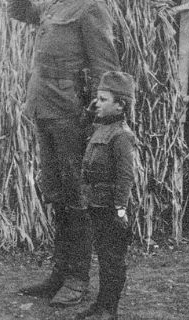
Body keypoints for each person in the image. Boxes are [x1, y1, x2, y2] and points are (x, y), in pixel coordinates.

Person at [8, 0, 121, 307]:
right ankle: (59, 273)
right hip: (44, 110)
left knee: (77, 197)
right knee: (56, 196)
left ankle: (77, 278)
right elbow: (18, 11)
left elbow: (107, 69)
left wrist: (101, 119)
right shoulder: (56, 4)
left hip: (72, 115)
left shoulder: (89, 7)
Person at [76, 71, 137, 320]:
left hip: (110, 208)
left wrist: (120, 209)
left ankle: (109, 310)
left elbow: (125, 176)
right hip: (96, 204)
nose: (97, 103)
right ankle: (101, 304)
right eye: (96, 99)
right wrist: (93, 111)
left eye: (103, 99)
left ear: (120, 104)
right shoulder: (102, 128)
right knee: (103, 257)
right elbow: (83, 128)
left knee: (112, 260)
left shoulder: (121, 135)